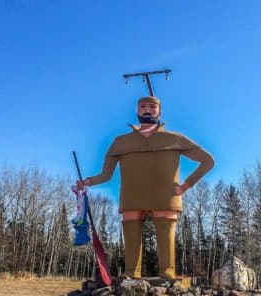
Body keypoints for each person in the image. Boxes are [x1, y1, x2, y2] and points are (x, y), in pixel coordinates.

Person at [77, 96, 214, 279]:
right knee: (131, 227)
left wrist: (185, 186)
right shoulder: (121, 142)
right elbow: (106, 175)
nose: (147, 109)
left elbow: (207, 161)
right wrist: (87, 182)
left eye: (152, 106)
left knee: (165, 229)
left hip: (166, 195)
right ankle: (131, 272)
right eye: (142, 106)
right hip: (132, 193)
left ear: (160, 111)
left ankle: (168, 270)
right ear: (137, 110)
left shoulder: (174, 138)